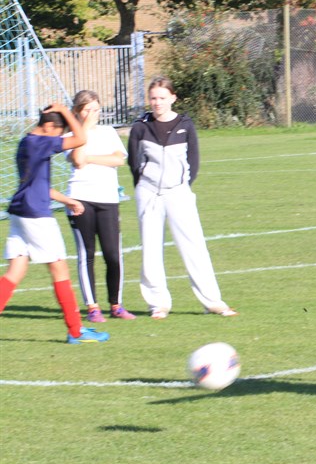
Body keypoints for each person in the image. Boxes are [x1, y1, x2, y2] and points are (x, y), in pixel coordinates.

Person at [127, 76, 236, 320]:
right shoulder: (140, 127)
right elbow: (133, 162)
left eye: (162, 98)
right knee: (150, 250)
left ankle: (213, 302)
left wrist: (181, 186)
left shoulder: (185, 125)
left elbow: (193, 162)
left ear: (173, 98)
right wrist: (144, 185)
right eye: (153, 98)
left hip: (178, 193)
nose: (157, 103)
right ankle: (158, 304)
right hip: (149, 193)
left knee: (194, 246)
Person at [0, 103, 110, 344]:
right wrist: (65, 110)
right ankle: (76, 331)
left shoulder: (26, 142)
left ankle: (76, 329)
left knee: (16, 270)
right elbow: (81, 139)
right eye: (59, 133)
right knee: (60, 269)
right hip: (36, 216)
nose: (59, 138)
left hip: (19, 212)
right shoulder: (42, 142)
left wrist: (67, 200)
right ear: (49, 126)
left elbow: (39, 185)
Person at [64, 90, 136, 322]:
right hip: (80, 198)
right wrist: (83, 127)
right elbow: (77, 159)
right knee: (86, 254)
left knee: (113, 254)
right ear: (77, 112)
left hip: (107, 199)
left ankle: (116, 305)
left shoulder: (108, 132)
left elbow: (118, 159)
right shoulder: (71, 135)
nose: (93, 114)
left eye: (96, 109)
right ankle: (92, 307)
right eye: (87, 110)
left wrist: (91, 158)